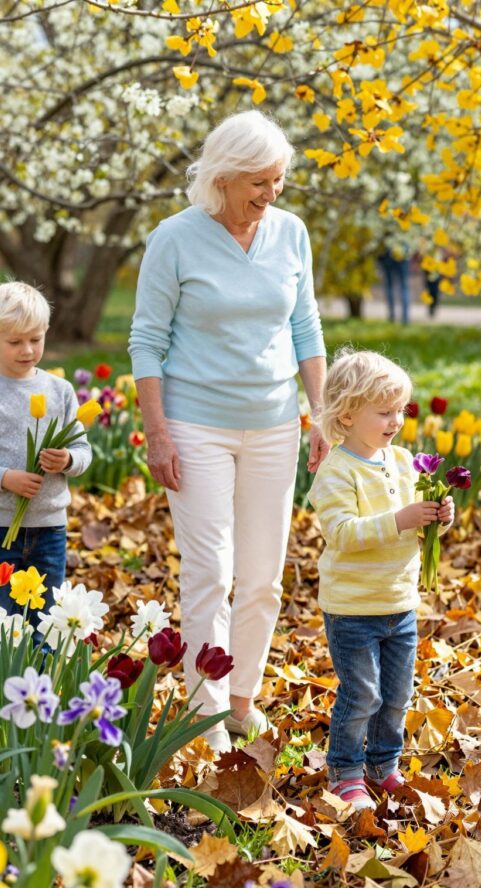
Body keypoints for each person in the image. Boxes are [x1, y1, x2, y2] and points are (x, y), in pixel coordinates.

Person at [129, 111, 329, 754]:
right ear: (223, 177)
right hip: (195, 426)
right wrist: (158, 434)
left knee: (264, 576)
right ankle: (205, 716)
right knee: (210, 572)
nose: (272, 193)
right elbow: (147, 341)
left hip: (274, 425)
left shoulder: (290, 233)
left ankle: (242, 701)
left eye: (279, 180)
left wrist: (321, 411)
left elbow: (305, 327)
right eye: (259, 182)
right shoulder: (174, 239)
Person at [307, 349, 454, 812]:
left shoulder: (404, 461)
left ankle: (383, 765)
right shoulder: (336, 471)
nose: (396, 421)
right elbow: (342, 533)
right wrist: (399, 519)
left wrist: (437, 517)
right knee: (362, 694)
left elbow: (414, 524)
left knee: (396, 695)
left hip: (399, 602)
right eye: (384, 412)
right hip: (353, 608)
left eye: (400, 411)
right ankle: (345, 771)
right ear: (347, 415)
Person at [0, 282, 91, 626]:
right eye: (14, 342)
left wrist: (68, 461)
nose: (27, 350)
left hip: (49, 528)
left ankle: (41, 665)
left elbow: (83, 451)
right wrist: (5, 478)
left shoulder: (61, 391)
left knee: (47, 622)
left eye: (36, 339)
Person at [377, 239, 411, 325]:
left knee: (390, 287)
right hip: (402, 252)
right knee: (403, 287)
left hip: (389, 253)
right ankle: (405, 318)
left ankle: (392, 317)